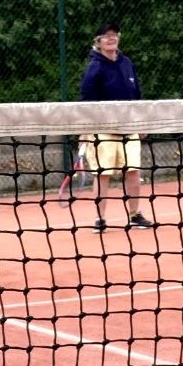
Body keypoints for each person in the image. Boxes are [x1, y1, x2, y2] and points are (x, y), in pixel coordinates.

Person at [77, 22, 150, 230]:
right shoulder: (94, 68)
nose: (111, 38)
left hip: (129, 128)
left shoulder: (127, 63)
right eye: (106, 36)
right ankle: (100, 220)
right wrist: (85, 131)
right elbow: (86, 102)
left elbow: (136, 95)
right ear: (98, 42)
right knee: (103, 174)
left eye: (114, 35)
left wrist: (141, 122)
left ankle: (135, 215)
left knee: (133, 171)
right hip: (103, 131)